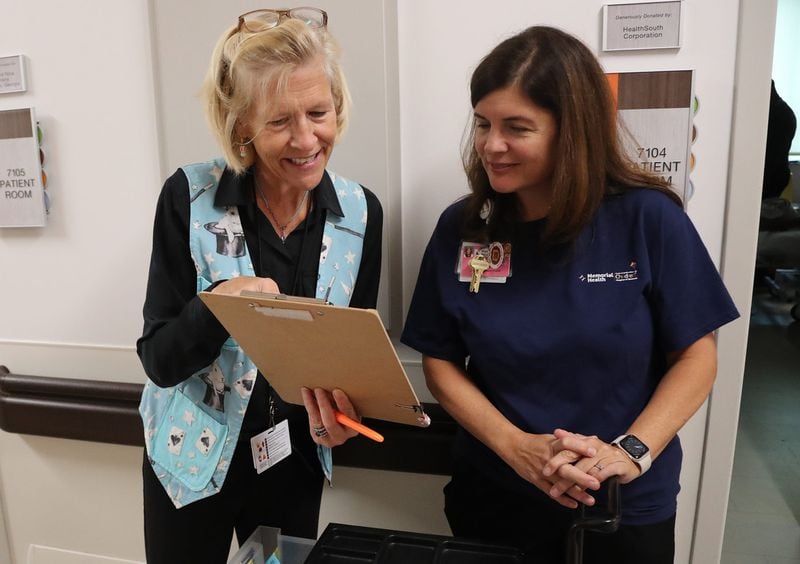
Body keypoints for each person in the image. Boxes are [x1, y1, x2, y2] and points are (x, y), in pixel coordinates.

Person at [401, 26, 739, 564]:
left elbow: (697, 357)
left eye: (518, 128)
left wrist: (627, 452)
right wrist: (517, 448)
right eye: (483, 124)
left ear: (572, 131)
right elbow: (440, 359)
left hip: (620, 502)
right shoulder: (464, 228)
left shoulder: (647, 220)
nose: (492, 145)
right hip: (495, 493)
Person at [136, 8, 382, 563]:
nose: (306, 138)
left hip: (289, 470)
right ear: (240, 123)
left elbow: (353, 355)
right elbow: (158, 359)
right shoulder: (189, 197)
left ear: (337, 107)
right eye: (278, 122)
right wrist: (216, 307)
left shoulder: (362, 214)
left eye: (319, 112)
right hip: (188, 467)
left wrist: (347, 415)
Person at [762, 80, 796, 200]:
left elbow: (771, 164)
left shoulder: (780, 115)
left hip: (772, 194)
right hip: (775, 188)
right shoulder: (783, 112)